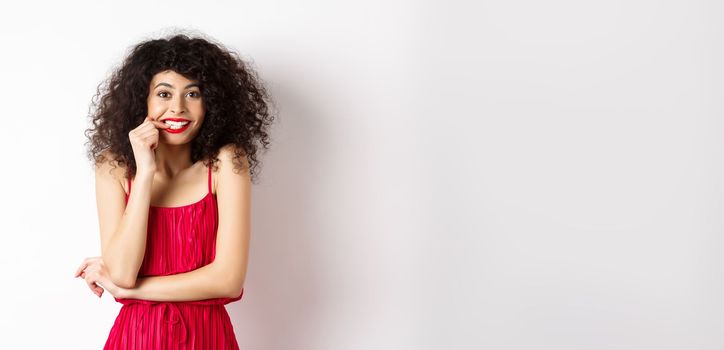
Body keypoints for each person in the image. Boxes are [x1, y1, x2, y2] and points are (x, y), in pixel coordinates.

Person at [73, 32, 274, 349]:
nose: (178, 108)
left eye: (193, 94)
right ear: (144, 100)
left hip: (209, 339)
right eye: (164, 94)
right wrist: (146, 173)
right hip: (137, 339)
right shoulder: (113, 167)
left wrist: (132, 291)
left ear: (211, 103)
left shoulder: (225, 163)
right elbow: (123, 272)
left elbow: (228, 281)